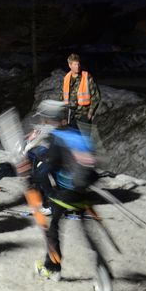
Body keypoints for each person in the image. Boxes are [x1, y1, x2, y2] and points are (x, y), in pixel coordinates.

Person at [32, 99, 99, 281]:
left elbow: (44, 171)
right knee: (88, 233)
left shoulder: (57, 138)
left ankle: (52, 267)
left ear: (48, 119)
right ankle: (102, 270)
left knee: (53, 228)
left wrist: (49, 193)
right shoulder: (77, 132)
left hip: (65, 193)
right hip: (83, 191)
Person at [61, 53, 101, 128]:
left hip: (84, 116)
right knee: (73, 139)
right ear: (70, 65)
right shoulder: (66, 78)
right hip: (71, 117)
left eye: (78, 64)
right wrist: (64, 117)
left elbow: (96, 96)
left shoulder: (86, 77)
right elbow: (62, 99)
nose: (77, 66)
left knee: (84, 139)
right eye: (75, 64)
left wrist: (90, 113)